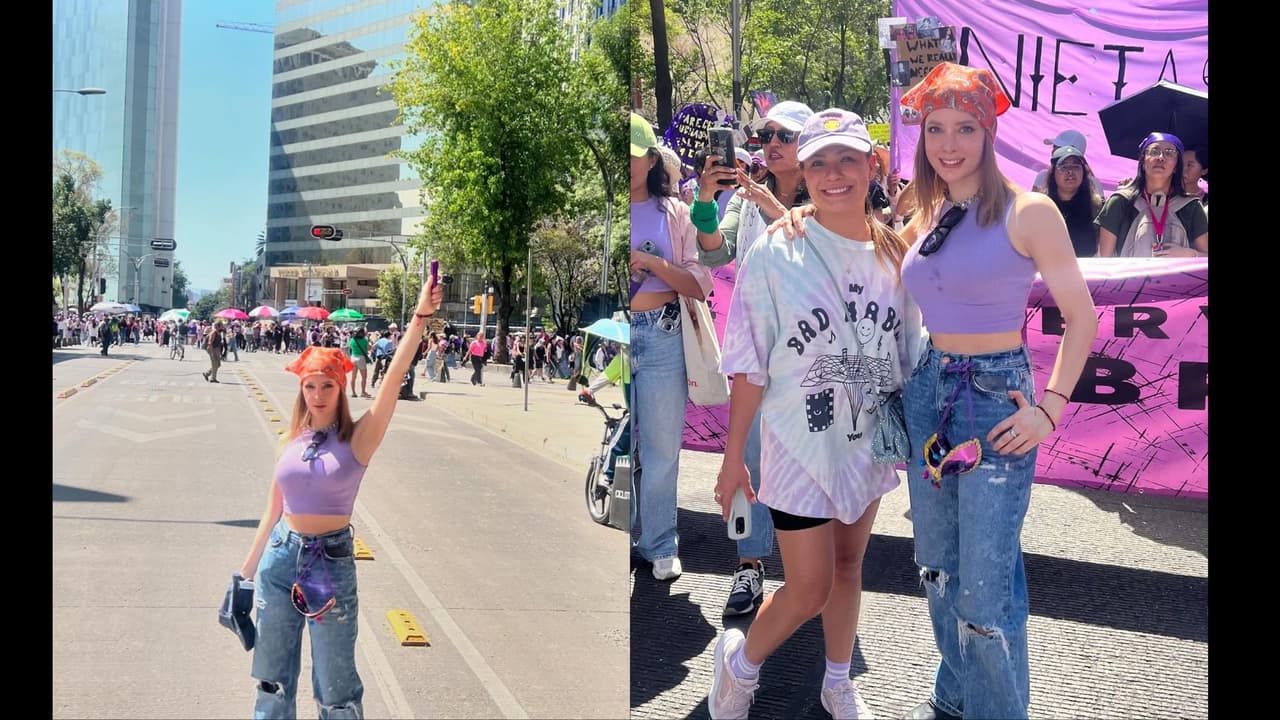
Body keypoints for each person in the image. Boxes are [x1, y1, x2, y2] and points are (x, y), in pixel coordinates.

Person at [892, 62, 1097, 720]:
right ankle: (953, 696)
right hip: (929, 393)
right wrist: (792, 219)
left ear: (989, 131)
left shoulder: (1029, 212)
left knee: (983, 589)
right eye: (935, 129)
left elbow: (1083, 317)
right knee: (938, 566)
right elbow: (864, 260)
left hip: (994, 400)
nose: (949, 144)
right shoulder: (924, 211)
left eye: (965, 128)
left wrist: (1050, 408)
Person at [708, 108, 923, 720]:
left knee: (851, 564)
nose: (834, 175)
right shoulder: (778, 251)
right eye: (819, 163)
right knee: (809, 586)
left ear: (871, 165)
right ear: (802, 172)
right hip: (796, 444)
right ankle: (740, 667)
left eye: (847, 159)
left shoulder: (894, 255)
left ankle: (837, 680)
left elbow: (906, 348)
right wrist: (733, 461)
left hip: (865, 439)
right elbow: (748, 364)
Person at [235, 275, 442, 717]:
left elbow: (396, 374)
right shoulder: (290, 439)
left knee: (336, 689)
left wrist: (420, 318)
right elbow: (273, 510)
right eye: (310, 386)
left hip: (328, 563)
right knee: (271, 682)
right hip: (279, 560)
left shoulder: (358, 440)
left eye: (326, 386)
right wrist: (244, 575)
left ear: (340, 388)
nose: (318, 394)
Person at [694, 100, 815, 613]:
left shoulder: (829, 187)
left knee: (809, 458)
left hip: (814, 347)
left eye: (783, 136)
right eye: (766, 135)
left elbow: (831, 246)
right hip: (756, 343)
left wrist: (771, 204)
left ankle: (812, 575)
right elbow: (713, 250)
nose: (771, 143)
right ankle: (749, 566)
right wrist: (706, 197)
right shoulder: (747, 195)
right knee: (749, 456)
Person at [630, 111, 712, 580]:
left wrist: (651, 264)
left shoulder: (674, 214)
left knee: (662, 449)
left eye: (635, 154)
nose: (628, 163)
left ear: (651, 158)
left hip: (662, 334)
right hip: (615, 339)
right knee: (621, 445)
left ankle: (660, 542)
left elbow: (698, 283)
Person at [1095, 132, 1208, 258]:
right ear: (1143, 161)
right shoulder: (1120, 202)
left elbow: (1206, 256)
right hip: (1130, 277)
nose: (1161, 157)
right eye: (1154, 151)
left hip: (1176, 278)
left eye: (1169, 153)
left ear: (1177, 166)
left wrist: (1191, 254)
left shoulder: (1191, 207)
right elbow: (1104, 261)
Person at [1043, 146, 1103, 257]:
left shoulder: (1096, 206)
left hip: (1087, 271)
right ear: (1053, 172)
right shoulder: (1041, 206)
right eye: (1064, 167)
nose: (1070, 172)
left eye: (1076, 166)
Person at [1030, 129, 1103, 198]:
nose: (1053, 151)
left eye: (1058, 148)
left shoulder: (1094, 184)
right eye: (1054, 147)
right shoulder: (1043, 176)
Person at [1182, 144, 1208, 212]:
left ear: (1204, 171)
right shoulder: (1168, 193)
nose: (1183, 169)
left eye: (1189, 165)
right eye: (1181, 164)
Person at [348, 327, 373, 398]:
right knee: (364, 377)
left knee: (353, 377)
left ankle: (353, 392)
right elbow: (369, 348)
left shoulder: (352, 340)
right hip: (361, 358)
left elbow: (350, 347)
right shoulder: (364, 340)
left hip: (353, 358)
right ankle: (363, 392)